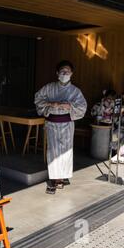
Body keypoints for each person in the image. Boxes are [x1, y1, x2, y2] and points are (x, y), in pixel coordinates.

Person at [35, 60, 87, 194]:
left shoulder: (75, 91)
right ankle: (55, 178)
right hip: (52, 123)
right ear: (57, 73)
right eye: (62, 71)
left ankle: (62, 176)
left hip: (67, 123)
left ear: (71, 73)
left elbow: (82, 106)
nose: (65, 73)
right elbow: (38, 98)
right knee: (53, 150)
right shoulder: (49, 87)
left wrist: (69, 106)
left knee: (66, 150)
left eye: (67, 71)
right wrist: (50, 104)